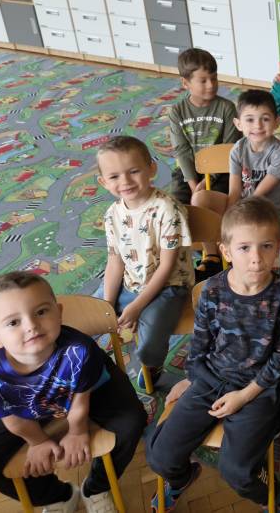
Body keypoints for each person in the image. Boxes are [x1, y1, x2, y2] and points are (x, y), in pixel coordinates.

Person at [147, 198, 280, 513]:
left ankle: (273, 498)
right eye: (244, 248)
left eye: (266, 246)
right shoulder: (213, 290)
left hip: (258, 389)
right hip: (211, 379)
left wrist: (244, 396)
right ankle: (182, 479)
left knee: (238, 472)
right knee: (160, 456)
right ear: (226, 251)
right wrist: (192, 379)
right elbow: (199, 344)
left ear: (278, 247)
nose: (256, 258)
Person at [0, 272, 146, 513]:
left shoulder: (79, 350)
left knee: (132, 421)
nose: (31, 325)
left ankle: (96, 488)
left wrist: (77, 432)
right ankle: (59, 496)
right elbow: (14, 422)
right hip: (27, 404)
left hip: (90, 387)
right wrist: (38, 441)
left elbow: (80, 402)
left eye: (41, 311)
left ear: (59, 312)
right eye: (13, 322)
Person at [96, 135, 194, 392]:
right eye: (114, 176)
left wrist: (137, 306)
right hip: (131, 282)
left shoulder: (167, 209)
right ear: (103, 182)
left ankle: (153, 366)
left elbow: (167, 267)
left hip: (169, 285)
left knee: (149, 343)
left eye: (134, 171)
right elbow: (114, 260)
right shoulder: (113, 213)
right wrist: (107, 305)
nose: (125, 181)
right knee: (88, 315)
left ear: (151, 169)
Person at [192, 89, 280, 271]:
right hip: (243, 202)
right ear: (238, 124)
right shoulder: (238, 149)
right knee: (200, 198)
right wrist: (231, 213)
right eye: (250, 119)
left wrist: (232, 219)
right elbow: (234, 191)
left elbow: (258, 195)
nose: (258, 125)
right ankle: (213, 256)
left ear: (277, 122)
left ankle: (233, 245)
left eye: (265, 119)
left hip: (266, 211)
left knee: (240, 227)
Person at [168, 47, 239, 204]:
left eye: (214, 78)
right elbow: (182, 151)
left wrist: (208, 180)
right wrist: (194, 186)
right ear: (185, 83)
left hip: (221, 170)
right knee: (177, 204)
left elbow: (229, 148)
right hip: (190, 171)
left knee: (213, 203)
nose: (211, 85)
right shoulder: (177, 112)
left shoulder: (227, 108)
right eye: (203, 81)